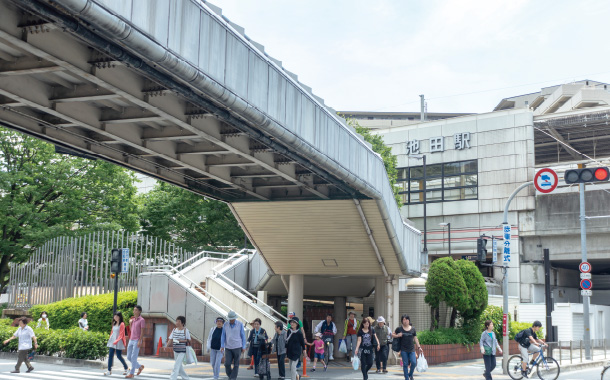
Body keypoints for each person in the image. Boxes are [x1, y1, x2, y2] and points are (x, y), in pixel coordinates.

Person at [392, 315, 422, 380]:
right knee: (405, 364)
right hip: (403, 350)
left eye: (406, 319)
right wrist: (397, 335)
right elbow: (392, 334)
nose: (405, 321)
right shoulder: (399, 329)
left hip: (412, 349)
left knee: (413, 362)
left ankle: (410, 374)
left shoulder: (413, 329)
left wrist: (419, 347)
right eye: (404, 320)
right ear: (402, 321)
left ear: (409, 320)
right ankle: (406, 378)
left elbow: (415, 338)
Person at [221, 311, 247, 380]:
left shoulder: (240, 324)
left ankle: (232, 378)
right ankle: (231, 376)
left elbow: (243, 336)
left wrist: (243, 346)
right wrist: (222, 346)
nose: (231, 320)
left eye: (232, 319)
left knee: (236, 364)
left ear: (235, 318)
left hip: (237, 346)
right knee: (227, 364)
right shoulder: (225, 324)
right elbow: (223, 335)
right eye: (230, 319)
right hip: (228, 347)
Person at [166, 315, 191, 380]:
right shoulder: (174, 330)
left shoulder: (185, 330)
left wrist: (181, 340)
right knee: (179, 365)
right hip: (175, 350)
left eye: (178, 321)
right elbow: (170, 339)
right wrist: (166, 346)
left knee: (176, 365)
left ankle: (172, 378)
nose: (176, 322)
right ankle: (186, 378)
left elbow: (189, 340)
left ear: (182, 323)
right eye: (176, 321)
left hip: (182, 350)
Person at [104, 311, 129, 376]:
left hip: (119, 341)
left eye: (117, 316)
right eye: (115, 316)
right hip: (113, 341)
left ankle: (126, 368)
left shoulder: (122, 324)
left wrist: (116, 341)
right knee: (110, 355)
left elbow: (121, 334)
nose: (115, 317)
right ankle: (109, 370)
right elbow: (112, 332)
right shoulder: (114, 323)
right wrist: (110, 339)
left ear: (120, 317)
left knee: (119, 356)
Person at [126, 305, 146, 378]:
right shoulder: (133, 319)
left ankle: (132, 373)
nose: (134, 311)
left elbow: (142, 331)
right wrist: (130, 323)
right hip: (131, 339)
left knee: (134, 357)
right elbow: (132, 330)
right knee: (128, 357)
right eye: (134, 310)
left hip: (137, 340)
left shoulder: (142, 320)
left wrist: (139, 341)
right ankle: (140, 367)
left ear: (139, 311)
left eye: (136, 310)